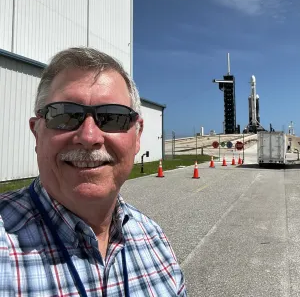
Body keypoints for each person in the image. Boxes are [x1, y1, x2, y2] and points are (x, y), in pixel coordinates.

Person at [0, 47, 187, 296]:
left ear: (137, 135)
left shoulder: (154, 239)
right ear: (37, 132)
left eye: (113, 117)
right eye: (65, 115)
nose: (89, 137)